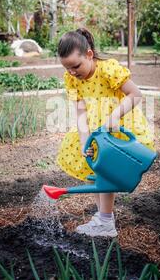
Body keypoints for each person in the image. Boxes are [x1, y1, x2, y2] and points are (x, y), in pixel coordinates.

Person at [56, 28, 154, 238]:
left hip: (115, 128)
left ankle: (106, 223)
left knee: (105, 173)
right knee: (95, 171)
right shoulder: (72, 78)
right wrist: (84, 141)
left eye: (76, 66)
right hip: (95, 130)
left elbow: (135, 94)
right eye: (67, 68)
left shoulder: (108, 69)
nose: (72, 72)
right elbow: (80, 110)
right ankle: (102, 218)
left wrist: (114, 116)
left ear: (89, 54)